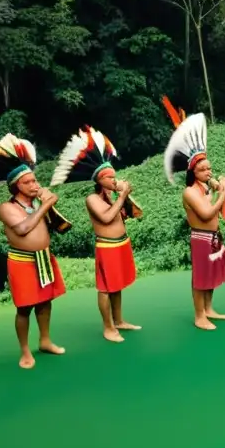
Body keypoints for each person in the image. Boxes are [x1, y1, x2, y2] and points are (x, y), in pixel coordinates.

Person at [0, 134, 68, 369]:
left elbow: (55, 227)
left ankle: (45, 341)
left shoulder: (36, 204)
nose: (35, 184)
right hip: (22, 262)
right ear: (15, 186)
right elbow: (22, 228)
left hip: (43, 258)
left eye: (34, 180)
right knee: (25, 307)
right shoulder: (6, 207)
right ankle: (24, 351)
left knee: (45, 302)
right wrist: (46, 205)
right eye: (28, 182)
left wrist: (46, 205)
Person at [51, 126, 141, 341]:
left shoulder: (112, 196)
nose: (113, 180)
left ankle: (119, 321)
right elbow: (107, 218)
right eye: (108, 177)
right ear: (98, 180)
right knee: (106, 288)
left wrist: (123, 196)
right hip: (107, 247)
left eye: (114, 176)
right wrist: (121, 196)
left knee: (117, 285)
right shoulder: (92, 199)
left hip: (122, 243)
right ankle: (108, 327)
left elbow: (133, 214)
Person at [164, 112, 225, 330]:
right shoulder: (189, 192)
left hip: (213, 236)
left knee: (211, 275)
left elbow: (217, 211)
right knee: (201, 277)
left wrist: (219, 192)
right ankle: (199, 315)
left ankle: (209, 309)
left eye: (209, 168)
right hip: (201, 238)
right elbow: (205, 213)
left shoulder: (204, 190)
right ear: (192, 172)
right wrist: (222, 192)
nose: (208, 172)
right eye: (203, 169)